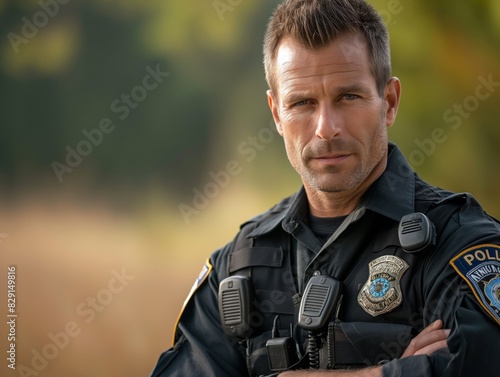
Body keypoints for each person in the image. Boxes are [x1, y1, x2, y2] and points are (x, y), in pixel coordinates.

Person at [150, 0, 500, 376]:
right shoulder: (237, 266)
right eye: (302, 103)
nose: (325, 128)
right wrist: (385, 373)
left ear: (389, 102)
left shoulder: (459, 245)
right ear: (276, 114)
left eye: (348, 97)